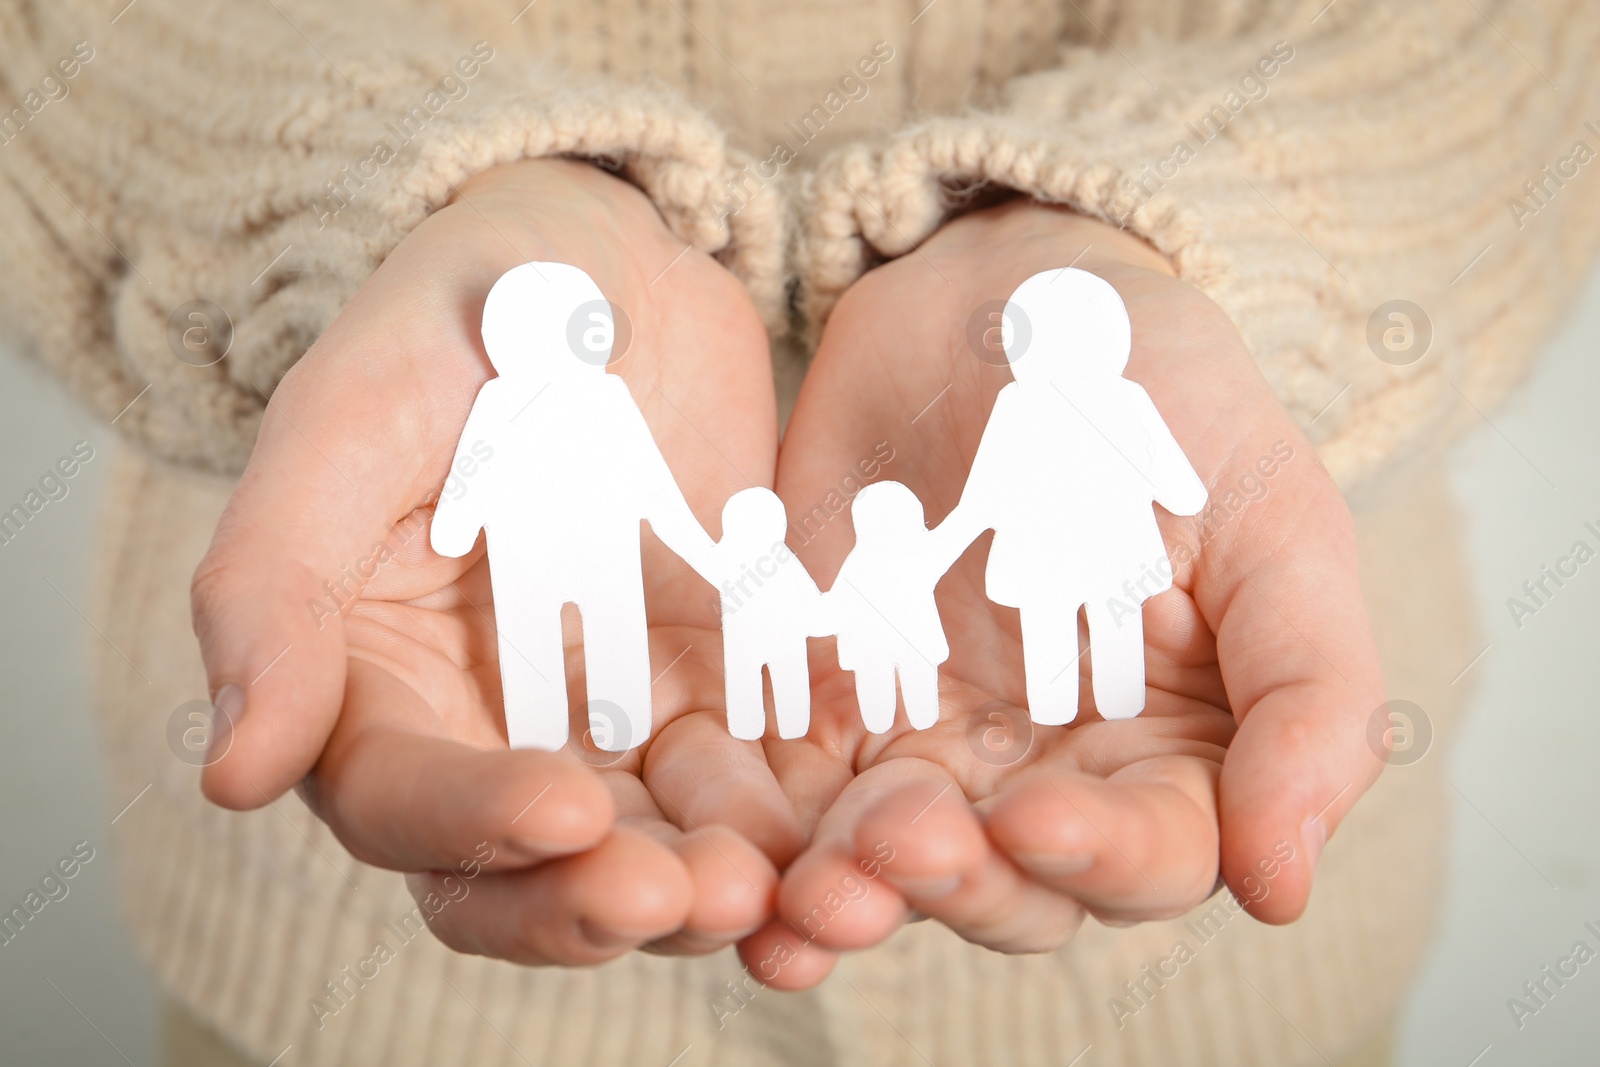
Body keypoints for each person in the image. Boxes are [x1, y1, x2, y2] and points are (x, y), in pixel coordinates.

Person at [2, 2, 1596, 1065]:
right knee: (589, 659)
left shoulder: (1071, 413)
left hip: (1202, 921)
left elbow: (1496, 45)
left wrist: (1137, 230)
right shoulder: (538, 413)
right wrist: (426, 214)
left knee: (1085, 636)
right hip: (360, 921)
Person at [431, 261, 715, 751]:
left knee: (587, 629)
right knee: (554, 633)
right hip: (542, 548)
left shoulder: (597, 396)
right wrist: (702, 548)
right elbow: (653, 484)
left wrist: (454, 526)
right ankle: (547, 730)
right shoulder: (509, 399)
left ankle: (600, 721)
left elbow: (650, 479)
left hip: (574, 545)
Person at [945, 267, 1208, 725]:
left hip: (1044, 550)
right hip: (1112, 546)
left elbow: (984, 494)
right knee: (1112, 615)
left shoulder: (1021, 403)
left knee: (1059, 619)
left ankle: (1058, 706)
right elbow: (1180, 489)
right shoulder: (1120, 398)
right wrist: (1183, 494)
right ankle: (1110, 704)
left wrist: (948, 539)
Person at [828, 480, 972, 732]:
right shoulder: (903, 556)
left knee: (902, 684)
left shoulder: (861, 562)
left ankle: (897, 718)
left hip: (894, 644)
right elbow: (952, 538)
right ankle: (889, 719)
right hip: (894, 643)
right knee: (890, 683)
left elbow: (837, 603)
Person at [697, 486, 828, 740]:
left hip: (774, 637)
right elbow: (807, 595)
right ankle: (772, 724)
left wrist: (818, 616)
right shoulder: (745, 558)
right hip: (759, 638)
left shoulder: (780, 559)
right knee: (762, 677)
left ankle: (784, 724)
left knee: (771, 676)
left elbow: (805, 593)